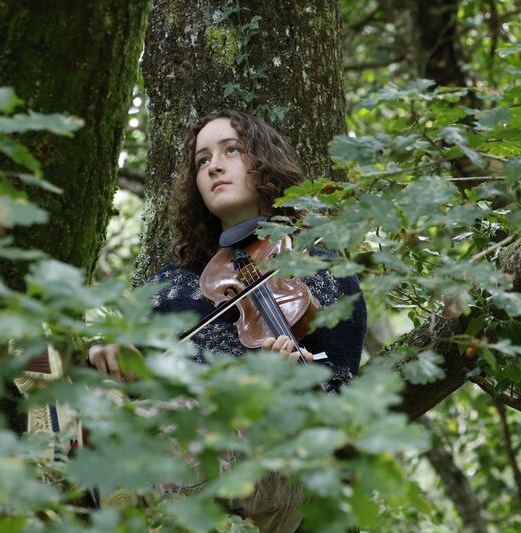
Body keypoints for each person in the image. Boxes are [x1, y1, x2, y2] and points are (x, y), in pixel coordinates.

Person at [89, 109, 367, 532]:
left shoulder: (321, 269)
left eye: (231, 150)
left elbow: (342, 401)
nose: (214, 165)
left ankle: (120, 476)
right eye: (202, 160)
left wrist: (294, 380)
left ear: (264, 164)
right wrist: (111, 353)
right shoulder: (171, 284)